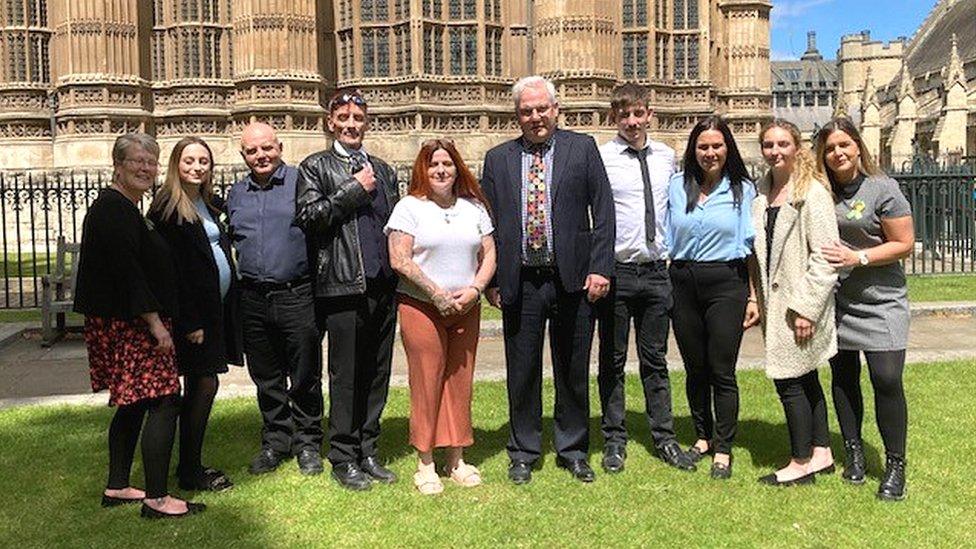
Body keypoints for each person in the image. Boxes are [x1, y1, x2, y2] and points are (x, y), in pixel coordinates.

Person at [481, 75, 615, 484]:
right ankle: (523, 450)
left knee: (573, 367)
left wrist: (600, 267)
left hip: (571, 277)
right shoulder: (498, 158)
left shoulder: (583, 148)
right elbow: (487, 222)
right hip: (520, 279)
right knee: (521, 371)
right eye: (527, 111)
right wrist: (490, 279)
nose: (535, 117)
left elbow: (604, 210)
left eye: (542, 109)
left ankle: (572, 448)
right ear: (517, 116)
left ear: (556, 110)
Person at [74, 133, 204, 519]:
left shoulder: (126, 207)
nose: (146, 169)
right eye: (137, 162)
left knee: (133, 404)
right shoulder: (113, 209)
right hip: (131, 324)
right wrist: (155, 324)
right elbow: (128, 273)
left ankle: (117, 486)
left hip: (129, 320)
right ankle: (158, 499)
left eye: (151, 162)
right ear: (118, 165)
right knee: (164, 400)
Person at [296, 89, 400, 491]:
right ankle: (342, 455)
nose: (351, 124)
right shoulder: (315, 167)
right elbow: (309, 217)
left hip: (383, 285)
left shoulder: (385, 170)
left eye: (358, 117)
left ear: (366, 122)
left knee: (377, 373)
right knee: (346, 375)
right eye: (344, 117)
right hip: (342, 286)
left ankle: (368, 449)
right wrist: (353, 189)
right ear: (330, 122)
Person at [386, 139, 497, 495]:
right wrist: (435, 292)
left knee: (460, 383)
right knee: (426, 380)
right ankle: (425, 463)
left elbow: (489, 252)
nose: (440, 170)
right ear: (422, 169)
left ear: (457, 167)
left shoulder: (473, 207)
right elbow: (399, 259)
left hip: (466, 306)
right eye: (433, 164)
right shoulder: (409, 207)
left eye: (447, 163)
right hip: (422, 306)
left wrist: (476, 289)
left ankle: (457, 459)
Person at [595, 83, 695, 474]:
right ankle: (614, 440)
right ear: (613, 119)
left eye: (638, 114)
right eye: (624, 115)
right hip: (617, 272)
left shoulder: (667, 156)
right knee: (613, 360)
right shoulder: (601, 158)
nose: (632, 122)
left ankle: (665, 438)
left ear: (650, 114)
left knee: (655, 360)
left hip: (656, 272)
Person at [815, 117, 914, 501]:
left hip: (881, 300)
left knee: (887, 380)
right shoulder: (821, 190)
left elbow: (904, 243)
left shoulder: (882, 188)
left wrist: (858, 256)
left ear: (858, 147)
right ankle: (854, 453)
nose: (838, 153)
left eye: (844, 145)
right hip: (838, 300)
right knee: (843, 377)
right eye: (830, 148)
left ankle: (895, 465)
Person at [226, 122, 324, 477]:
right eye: (252, 151)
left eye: (266, 148)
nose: (260, 156)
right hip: (252, 298)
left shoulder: (302, 182)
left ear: (279, 147)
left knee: (304, 376)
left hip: (296, 293)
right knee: (266, 377)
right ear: (243, 155)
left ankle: (308, 442)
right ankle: (276, 441)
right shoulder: (236, 193)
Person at [147, 137, 243, 492]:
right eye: (189, 160)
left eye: (203, 160)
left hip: (213, 312)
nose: (196, 167)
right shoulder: (167, 208)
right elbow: (170, 272)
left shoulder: (208, 203)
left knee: (205, 385)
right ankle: (190, 469)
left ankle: (190, 464)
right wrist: (190, 321)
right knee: (202, 385)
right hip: (193, 320)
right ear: (175, 164)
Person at [667, 116, 758, 480]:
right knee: (695, 368)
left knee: (722, 370)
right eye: (703, 147)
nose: (709, 153)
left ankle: (723, 447)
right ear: (693, 151)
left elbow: (752, 247)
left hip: (726, 281)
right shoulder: (676, 186)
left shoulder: (743, 189)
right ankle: (702, 436)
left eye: (716, 146)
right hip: (683, 281)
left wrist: (753, 296)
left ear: (727, 149)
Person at [750, 119, 838, 486]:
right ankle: (822, 452)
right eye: (769, 145)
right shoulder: (761, 192)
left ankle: (800, 463)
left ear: (797, 147)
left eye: (783, 144)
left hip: (799, 305)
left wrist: (807, 309)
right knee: (807, 378)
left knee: (789, 382)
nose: (775, 151)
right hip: (775, 301)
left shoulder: (812, 193)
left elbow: (825, 256)